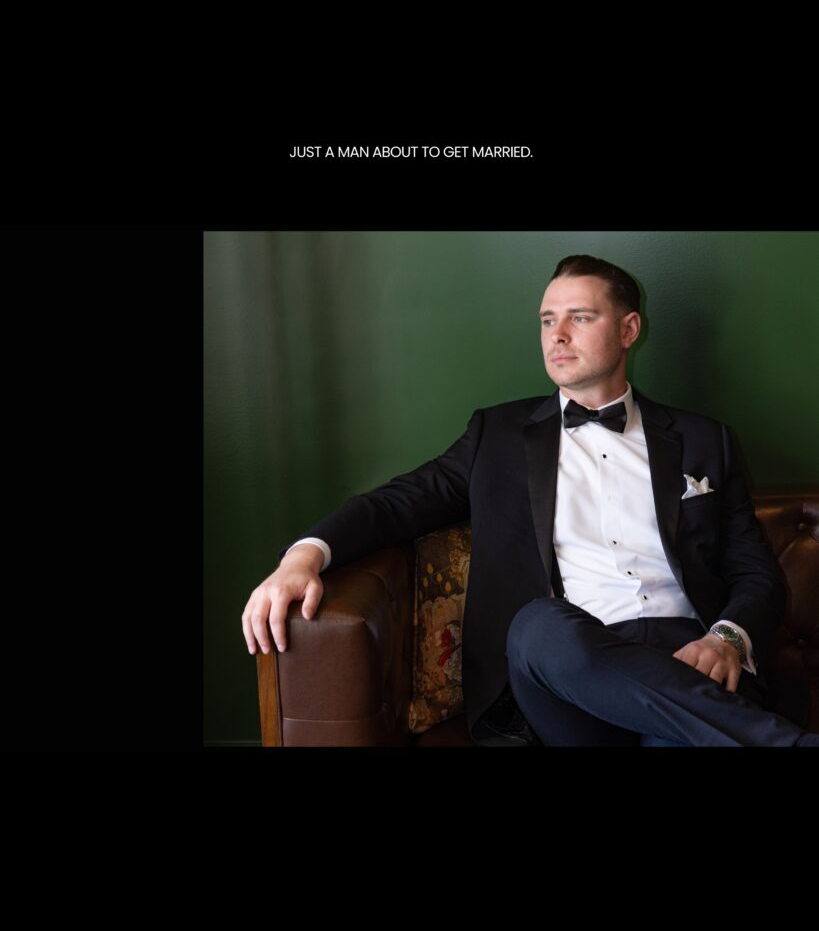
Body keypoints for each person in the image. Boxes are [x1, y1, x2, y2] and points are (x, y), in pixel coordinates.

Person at [241, 254, 817, 746]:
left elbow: (752, 571)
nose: (556, 335)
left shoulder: (703, 440)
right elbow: (397, 503)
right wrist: (305, 556)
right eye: (547, 320)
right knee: (538, 625)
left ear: (629, 329)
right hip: (564, 671)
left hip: (688, 655)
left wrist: (727, 638)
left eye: (579, 317)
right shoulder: (496, 436)